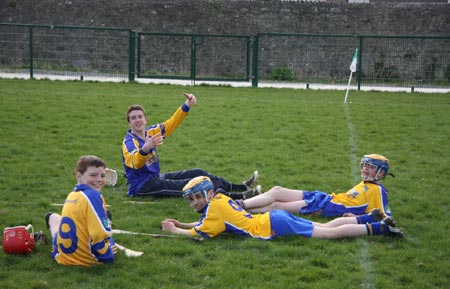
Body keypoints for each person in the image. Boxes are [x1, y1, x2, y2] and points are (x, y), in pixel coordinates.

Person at [161, 176, 404, 240]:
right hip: (273, 219)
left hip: (273, 225)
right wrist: (181, 223)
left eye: (197, 198)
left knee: (327, 233)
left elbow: (200, 232)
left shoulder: (213, 211)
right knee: (325, 226)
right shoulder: (219, 202)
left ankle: (379, 228)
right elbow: (205, 224)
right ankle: (367, 220)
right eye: (191, 200)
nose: (194, 203)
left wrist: (176, 231)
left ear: (209, 194)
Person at [121, 93, 260, 199]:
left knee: (198, 172)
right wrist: (145, 149)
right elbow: (135, 163)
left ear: (145, 119)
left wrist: (187, 104)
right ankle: (240, 196)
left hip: (156, 177)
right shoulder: (128, 142)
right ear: (129, 123)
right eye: (133, 118)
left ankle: (239, 186)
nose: (137, 120)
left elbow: (172, 123)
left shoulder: (151, 132)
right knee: (195, 184)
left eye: (140, 117)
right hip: (142, 186)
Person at [235, 154, 394, 218]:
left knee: (276, 206)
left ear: (380, 173)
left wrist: (357, 218)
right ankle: (240, 205)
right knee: (277, 190)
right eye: (364, 165)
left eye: (370, 167)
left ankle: (237, 209)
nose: (365, 169)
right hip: (326, 198)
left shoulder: (378, 191)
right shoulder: (366, 183)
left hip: (329, 207)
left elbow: (384, 217)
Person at [45, 155, 116, 266]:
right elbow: (99, 234)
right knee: (106, 225)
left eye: (102, 176)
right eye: (93, 175)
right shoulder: (93, 195)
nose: (99, 180)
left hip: (63, 256)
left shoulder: (72, 194)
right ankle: (108, 221)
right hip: (87, 259)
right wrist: (107, 256)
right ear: (79, 176)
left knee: (53, 217)